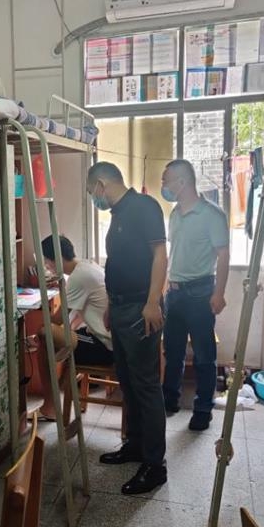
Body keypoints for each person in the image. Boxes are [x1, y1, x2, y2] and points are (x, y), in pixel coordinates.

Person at [87, 162, 168, 495]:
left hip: (139, 308)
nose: (94, 198)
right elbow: (118, 264)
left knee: (145, 385)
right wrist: (110, 304)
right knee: (128, 381)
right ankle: (135, 445)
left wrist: (152, 302)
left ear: (101, 184)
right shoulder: (118, 214)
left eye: (92, 192)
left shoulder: (144, 206)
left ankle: (155, 465)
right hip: (120, 307)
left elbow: (160, 255)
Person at [160, 159, 230, 431]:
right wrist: (165, 287)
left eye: (166, 180)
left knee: (203, 355)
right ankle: (170, 400)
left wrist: (219, 293)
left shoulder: (212, 214)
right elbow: (173, 254)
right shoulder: (175, 214)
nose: (163, 185)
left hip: (201, 293)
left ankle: (203, 409)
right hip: (174, 293)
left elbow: (223, 255)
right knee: (173, 352)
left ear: (182, 182)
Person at [36, 235, 113, 420]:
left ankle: (50, 406)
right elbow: (77, 314)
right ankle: (58, 393)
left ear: (58, 258)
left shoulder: (78, 277)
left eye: (47, 261)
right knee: (53, 337)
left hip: (104, 346)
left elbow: (57, 319)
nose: (47, 266)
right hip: (107, 339)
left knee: (44, 334)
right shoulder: (88, 265)